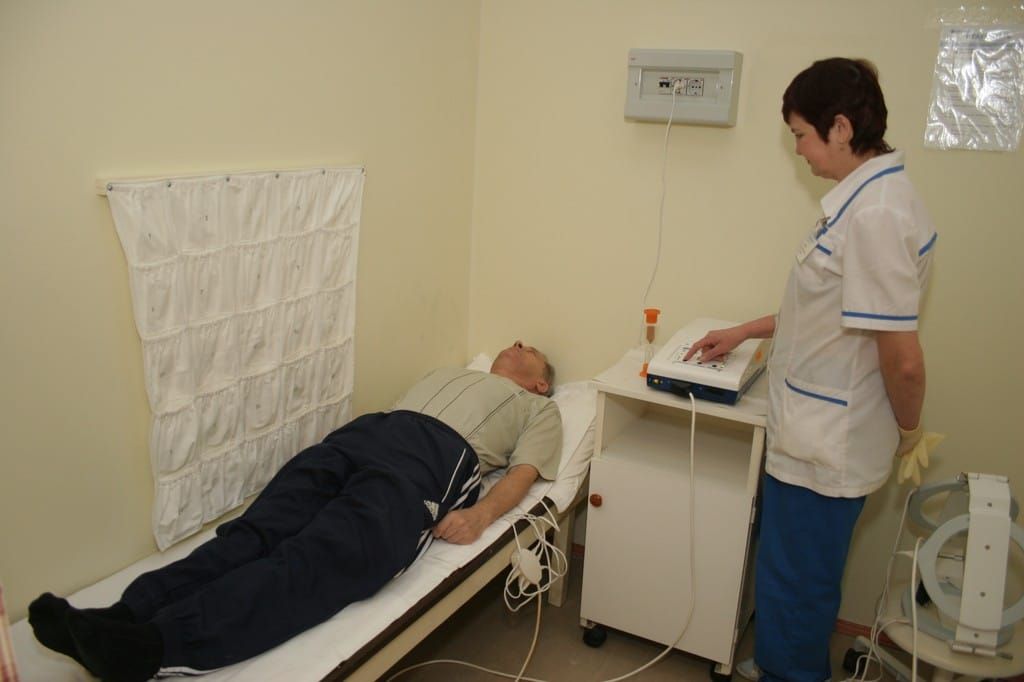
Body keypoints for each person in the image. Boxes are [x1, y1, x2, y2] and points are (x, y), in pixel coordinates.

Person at [28, 340, 562, 681]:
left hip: (427, 465)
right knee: (251, 534)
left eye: (531, 349)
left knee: (318, 557)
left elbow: (522, 473)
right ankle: (124, 615)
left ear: (540, 382)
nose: (518, 343)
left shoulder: (539, 409)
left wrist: (480, 516)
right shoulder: (450, 370)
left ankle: (155, 647)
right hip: (365, 433)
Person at [683, 58, 941, 682]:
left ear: (841, 128)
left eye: (801, 134)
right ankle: (780, 663)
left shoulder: (876, 215)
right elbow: (824, 309)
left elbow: (903, 360)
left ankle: (790, 672)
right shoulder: (862, 202)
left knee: (798, 583)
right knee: (790, 574)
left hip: (827, 444)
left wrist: (910, 432)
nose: (797, 149)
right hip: (814, 431)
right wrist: (744, 331)